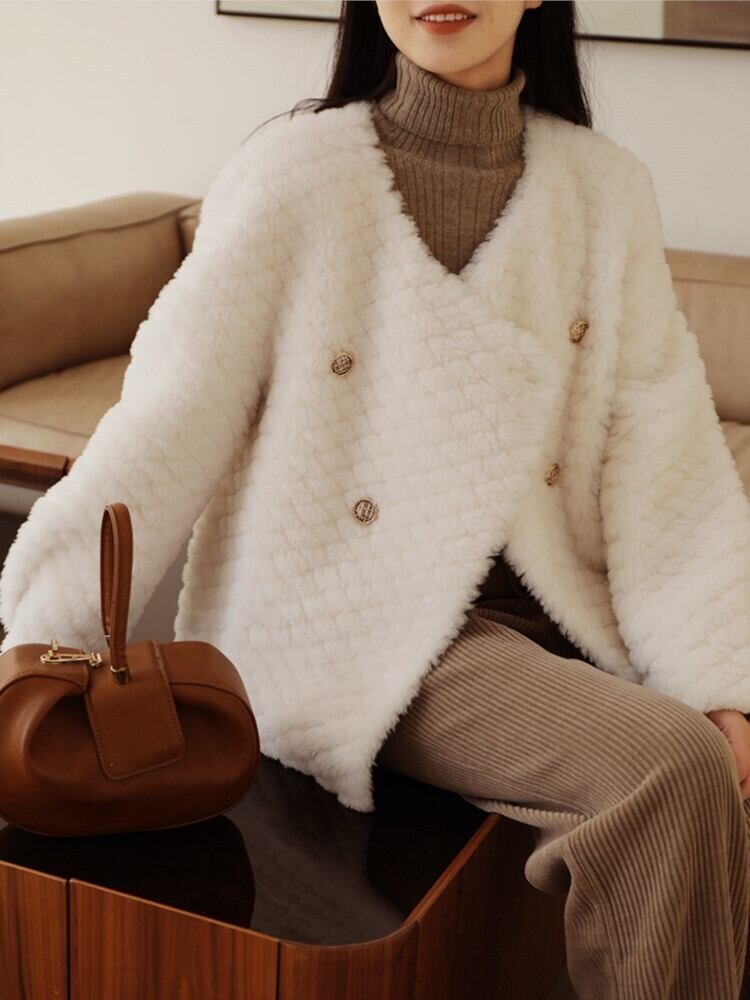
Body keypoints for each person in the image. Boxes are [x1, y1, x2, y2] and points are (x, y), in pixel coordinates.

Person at [2, 3, 750, 996]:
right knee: (673, 768)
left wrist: (715, 676)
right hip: (363, 626)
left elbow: (667, 453)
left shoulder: (604, 191)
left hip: (561, 611)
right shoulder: (296, 175)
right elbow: (161, 430)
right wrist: (35, 652)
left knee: (708, 752)